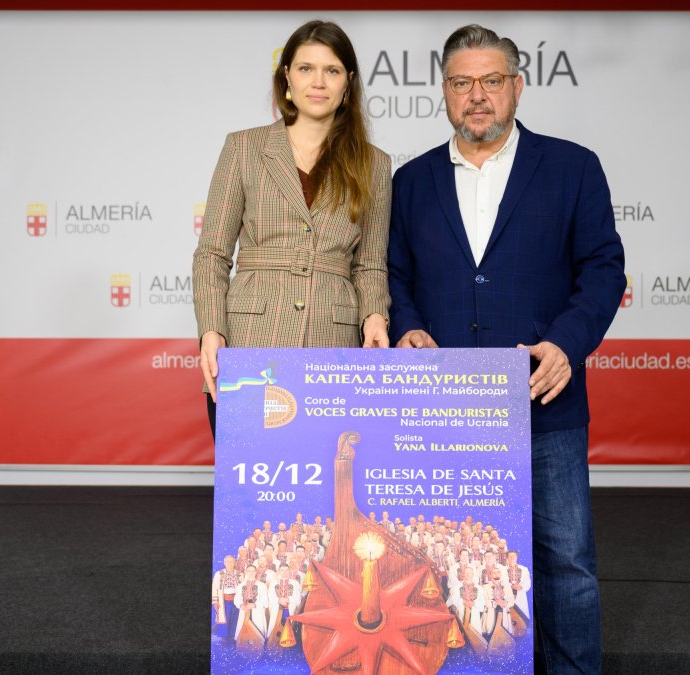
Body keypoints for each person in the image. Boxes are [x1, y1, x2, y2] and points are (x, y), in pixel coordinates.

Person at [387, 24, 625, 675]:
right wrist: (406, 325)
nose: (478, 96)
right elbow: (393, 273)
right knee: (441, 560)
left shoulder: (573, 167)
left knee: (565, 563)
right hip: (442, 411)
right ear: (444, 92)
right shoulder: (410, 182)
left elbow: (604, 268)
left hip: (541, 399)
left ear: (518, 86)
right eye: (462, 83)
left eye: (492, 80)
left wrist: (565, 344)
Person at [192, 20, 392, 436]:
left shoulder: (374, 164)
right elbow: (211, 253)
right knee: (254, 487)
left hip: (334, 347)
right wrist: (211, 330)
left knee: (323, 487)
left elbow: (370, 264)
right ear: (286, 76)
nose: (318, 82)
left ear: (348, 83)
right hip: (250, 342)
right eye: (305, 69)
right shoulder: (243, 148)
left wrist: (375, 317)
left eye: (332, 70)